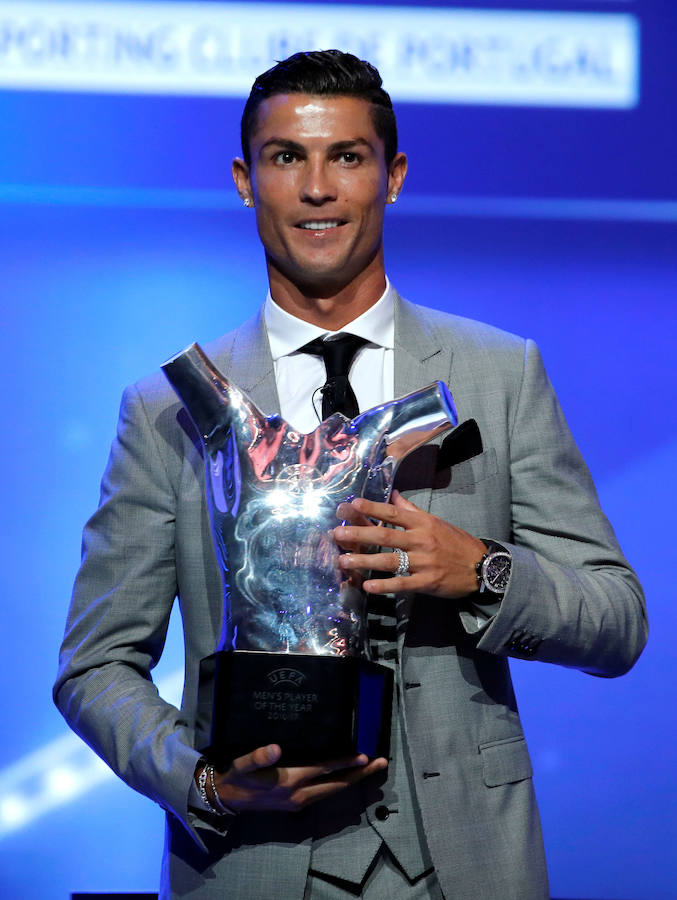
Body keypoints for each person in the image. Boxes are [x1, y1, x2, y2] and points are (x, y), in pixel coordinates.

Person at [54, 50, 647, 900]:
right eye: (285, 157)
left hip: (463, 864)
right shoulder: (166, 409)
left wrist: (479, 570)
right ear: (244, 181)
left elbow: (616, 623)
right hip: (249, 865)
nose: (316, 188)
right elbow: (95, 666)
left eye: (346, 156)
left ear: (392, 177)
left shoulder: (499, 373)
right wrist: (205, 784)